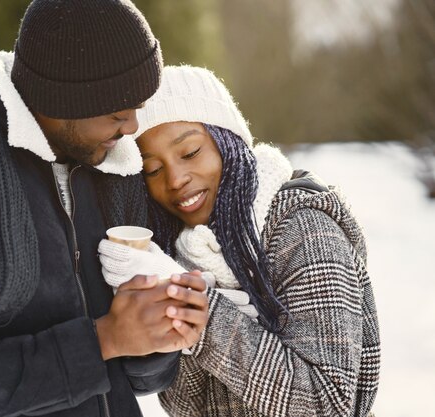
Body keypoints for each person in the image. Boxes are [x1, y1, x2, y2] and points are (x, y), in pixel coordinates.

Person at [0, 2, 210, 417]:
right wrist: (102, 340)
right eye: (118, 113)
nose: (132, 128)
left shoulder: (110, 173)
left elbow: (135, 380)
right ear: (59, 100)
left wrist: (160, 332)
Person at [98, 65, 381, 417]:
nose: (175, 179)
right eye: (153, 169)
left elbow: (328, 404)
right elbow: (186, 408)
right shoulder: (186, 251)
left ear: (227, 142)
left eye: (189, 153)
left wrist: (202, 315)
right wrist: (166, 311)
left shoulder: (303, 230)